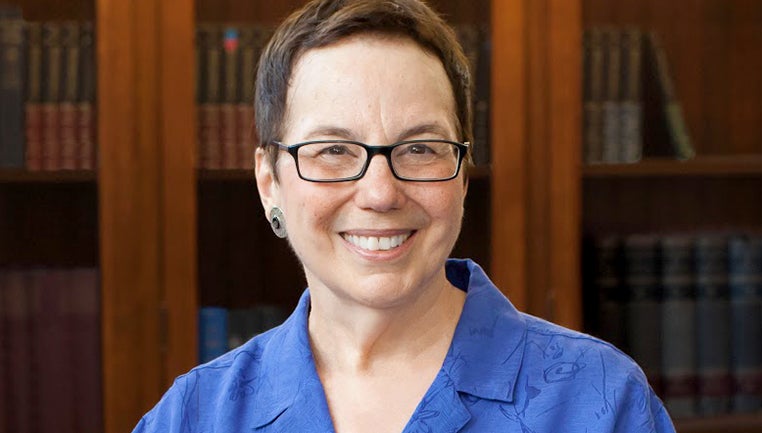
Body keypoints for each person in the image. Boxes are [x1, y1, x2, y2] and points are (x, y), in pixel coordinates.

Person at [134, 0, 676, 432]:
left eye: (420, 149)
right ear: (269, 181)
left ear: (462, 172)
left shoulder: (598, 403)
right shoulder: (193, 416)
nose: (379, 193)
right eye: (332, 150)